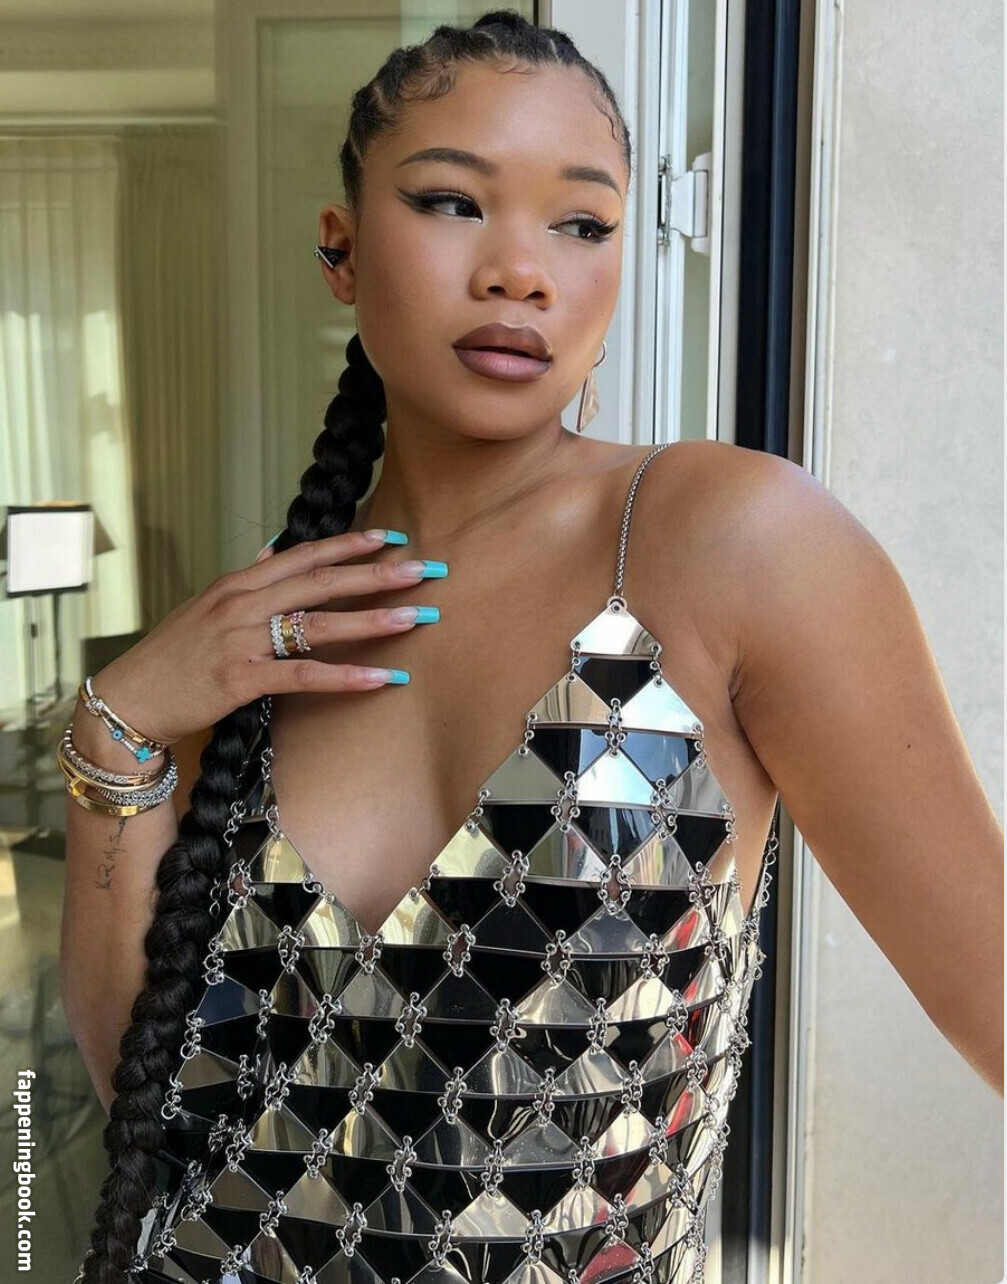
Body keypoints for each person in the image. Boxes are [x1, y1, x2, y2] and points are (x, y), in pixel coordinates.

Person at [60, 10, 1003, 1284]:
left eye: (580, 223)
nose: (519, 271)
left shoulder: (731, 542)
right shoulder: (260, 634)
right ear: (340, 247)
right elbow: (152, 1110)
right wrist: (115, 732)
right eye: (451, 202)